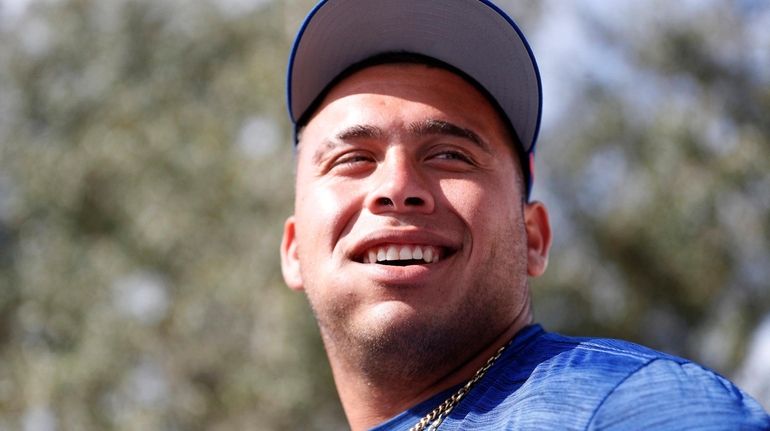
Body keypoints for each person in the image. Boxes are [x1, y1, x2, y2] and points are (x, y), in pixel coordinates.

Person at [279, 0, 770, 429]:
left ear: (533, 236)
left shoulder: (636, 408)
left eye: (450, 154)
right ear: (295, 249)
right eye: (353, 159)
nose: (397, 188)